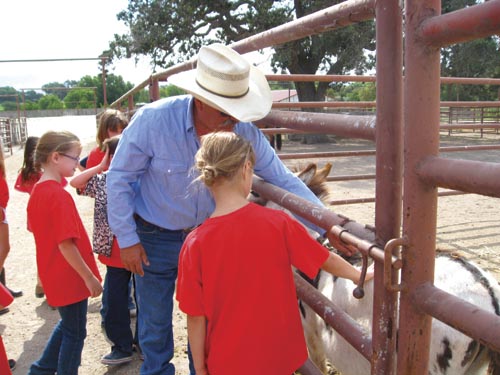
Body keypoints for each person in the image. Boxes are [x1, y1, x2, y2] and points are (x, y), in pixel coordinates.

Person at [107, 43, 343, 375]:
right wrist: (128, 239)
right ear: (200, 100)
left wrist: (328, 224)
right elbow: (119, 178)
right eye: (225, 112)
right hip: (154, 237)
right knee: (154, 323)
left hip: (210, 242)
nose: (233, 121)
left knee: (207, 321)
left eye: (237, 111)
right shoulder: (153, 122)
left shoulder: (243, 130)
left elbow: (284, 180)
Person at [176, 132, 373, 375]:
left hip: (227, 360)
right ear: (247, 169)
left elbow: (195, 317)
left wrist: (199, 366)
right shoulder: (278, 223)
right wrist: (357, 275)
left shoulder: (194, 244)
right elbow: (325, 258)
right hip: (279, 356)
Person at [27, 130, 102, 375]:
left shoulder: (38, 191)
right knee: (76, 332)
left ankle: (41, 369)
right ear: (56, 157)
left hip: (52, 272)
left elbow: (35, 229)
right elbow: (65, 244)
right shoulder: (58, 196)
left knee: (69, 325)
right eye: (75, 157)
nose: (77, 164)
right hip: (69, 276)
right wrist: (88, 276)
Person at [70, 135, 138, 366]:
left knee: (145, 302)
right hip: (114, 255)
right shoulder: (103, 180)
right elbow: (75, 183)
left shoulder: (142, 178)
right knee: (113, 305)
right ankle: (122, 345)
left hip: (140, 252)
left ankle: (139, 343)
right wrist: (100, 167)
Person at [14, 135, 68, 300]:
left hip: (35, 216)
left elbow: (21, 188)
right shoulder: (47, 173)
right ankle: (50, 286)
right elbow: (62, 184)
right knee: (54, 251)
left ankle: (41, 283)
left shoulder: (26, 173)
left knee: (42, 249)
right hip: (49, 216)